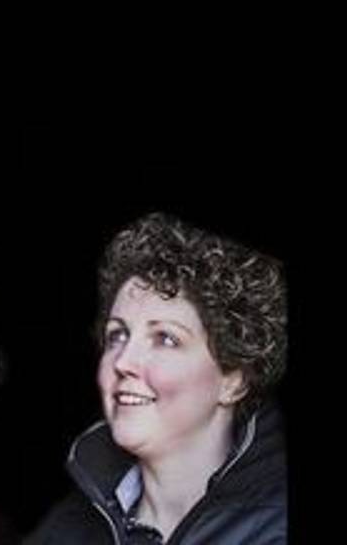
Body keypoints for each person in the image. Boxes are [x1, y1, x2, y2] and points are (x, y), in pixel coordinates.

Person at [27, 212, 288, 544]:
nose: (123, 361)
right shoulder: (65, 530)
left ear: (233, 380)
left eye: (166, 338)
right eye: (117, 335)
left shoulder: (275, 529)